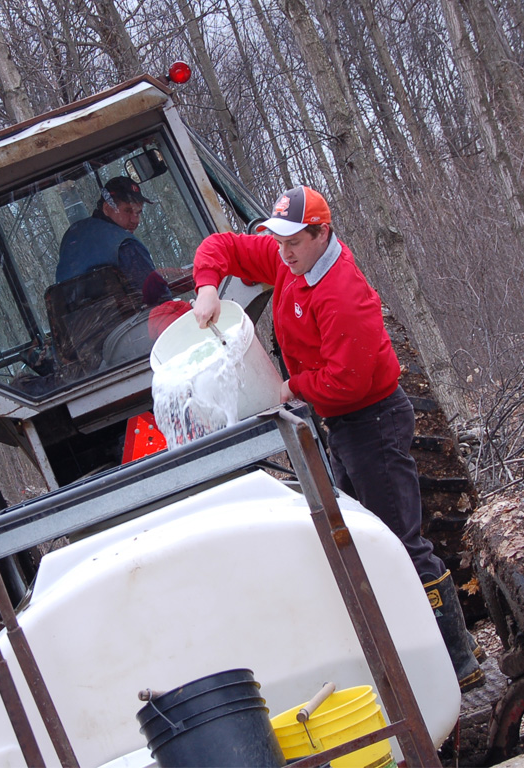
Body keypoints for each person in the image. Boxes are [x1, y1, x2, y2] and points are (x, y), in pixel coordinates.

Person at [191, 185, 484, 692]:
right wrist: (208, 288)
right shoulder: (289, 261)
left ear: (322, 233)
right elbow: (222, 247)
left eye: (294, 243)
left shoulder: (341, 294)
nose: (282, 253)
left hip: (372, 421)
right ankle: (422, 649)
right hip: (342, 426)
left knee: (399, 542)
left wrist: (289, 387)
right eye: (278, 242)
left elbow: (347, 379)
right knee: (366, 539)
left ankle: (459, 659)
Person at [56, 176, 172, 306]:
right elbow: (158, 299)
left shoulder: (72, 236)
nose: (135, 220)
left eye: (138, 213)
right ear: (106, 208)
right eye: (128, 211)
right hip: (125, 322)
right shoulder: (125, 245)